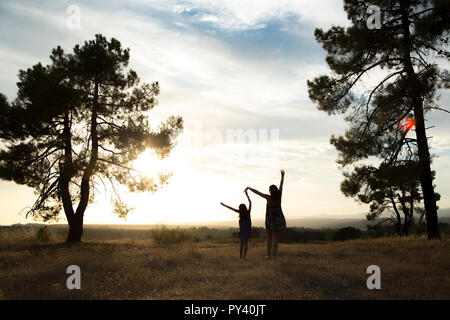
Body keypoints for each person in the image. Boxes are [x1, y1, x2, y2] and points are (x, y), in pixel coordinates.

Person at [246, 170, 286, 259]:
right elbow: (281, 185)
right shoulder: (279, 197)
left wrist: (249, 188)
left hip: (270, 220)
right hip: (278, 219)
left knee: (269, 238)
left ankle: (269, 255)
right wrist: (282, 176)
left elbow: (257, 192)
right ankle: (274, 256)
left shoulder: (268, 197)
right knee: (275, 239)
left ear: (270, 191)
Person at [220, 190, 252, 259]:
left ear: (240, 209)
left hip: (242, 231)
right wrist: (247, 196)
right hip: (247, 231)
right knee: (246, 244)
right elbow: (250, 203)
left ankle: (240, 257)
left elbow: (230, 208)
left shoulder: (240, 213)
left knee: (241, 244)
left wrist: (223, 205)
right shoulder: (248, 213)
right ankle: (244, 257)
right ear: (245, 208)